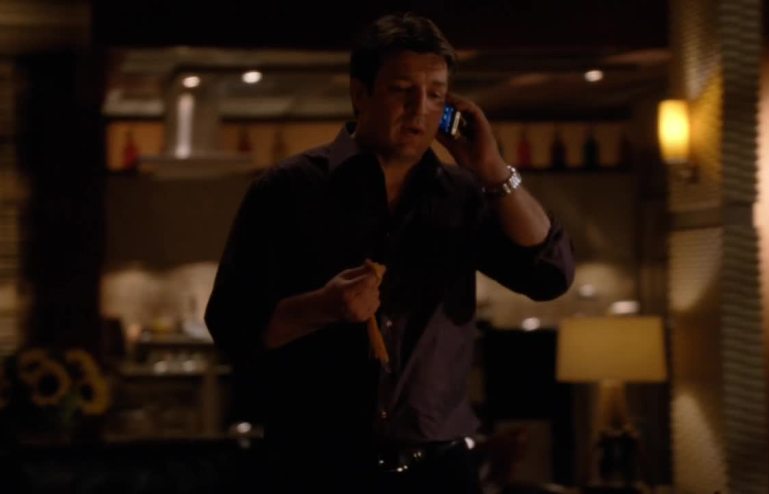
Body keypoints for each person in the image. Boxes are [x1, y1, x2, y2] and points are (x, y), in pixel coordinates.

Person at [205, 12, 574, 493]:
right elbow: (231, 326)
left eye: (436, 95)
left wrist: (494, 170)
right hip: (317, 466)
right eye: (403, 91)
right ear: (360, 94)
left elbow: (550, 275)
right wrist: (320, 308)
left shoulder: (463, 193)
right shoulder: (287, 189)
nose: (420, 110)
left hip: (439, 470)